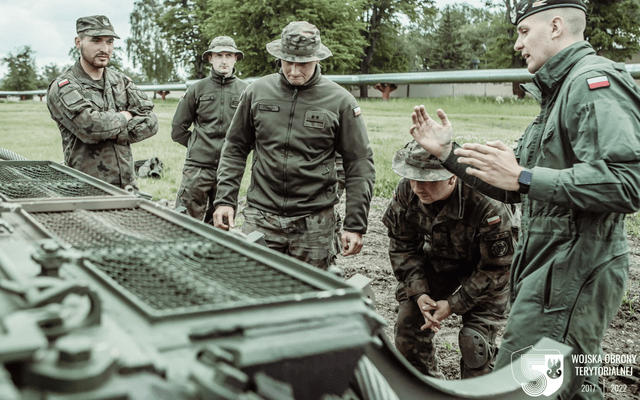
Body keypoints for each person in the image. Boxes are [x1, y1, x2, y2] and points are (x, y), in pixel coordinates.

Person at [409, 0, 640, 398]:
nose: (518, 45)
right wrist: (448, 154)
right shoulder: (558, 93)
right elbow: (514, 186)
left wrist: (524, 176)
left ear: (554, 27)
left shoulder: (592, 82)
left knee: (522, 385)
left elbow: (627, 181)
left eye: (522, 31)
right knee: (567, 383)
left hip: (575, 265)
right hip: (553, 267)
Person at [213, 21, 375, 270]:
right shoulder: (256, 92)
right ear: (279, 57)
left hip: (314, 222)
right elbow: (235, 147)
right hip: (261, 216)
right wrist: (225, 199)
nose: (295, 71)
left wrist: (355, 224)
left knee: (312, 297)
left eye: (303, 63)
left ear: (317, 60)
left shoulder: (340, 101)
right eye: (289, 62)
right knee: (251, 289)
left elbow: (359, 163)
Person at [383, 140, 516, 379]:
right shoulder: (407, 191)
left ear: (452, 177)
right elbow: (402, 246)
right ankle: (426, 391)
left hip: (488, 272)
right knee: (409, 326)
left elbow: (498, 269)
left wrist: (454, 304)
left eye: (427, 180)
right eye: (413, 178)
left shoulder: (487, 202)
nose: (417, 187)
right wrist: (419, 292)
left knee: (475, 343)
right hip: (441, 261)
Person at [47, 15, 158, 190]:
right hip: (85, 189)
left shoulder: (121, 80)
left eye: (110, 42)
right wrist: (126, 116)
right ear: (78, 42)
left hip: (127, 186)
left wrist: (109, 129)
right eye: (96, 41)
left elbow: (151, 121)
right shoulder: (64, 87)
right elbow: (91, 128)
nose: (104, 48)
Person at [171, 36, 249, 223]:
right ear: (210, 58)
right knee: (185, 220)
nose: (224, 60)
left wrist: (236, 152)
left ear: (235, 58)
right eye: (219, 55)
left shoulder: (246, 91)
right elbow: (178, 129)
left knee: (221, 223)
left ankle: (213, 253)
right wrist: (197, 145)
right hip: (197, 168)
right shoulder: (197, 89)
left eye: (228, 55)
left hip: (229, 170)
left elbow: (252, 131)